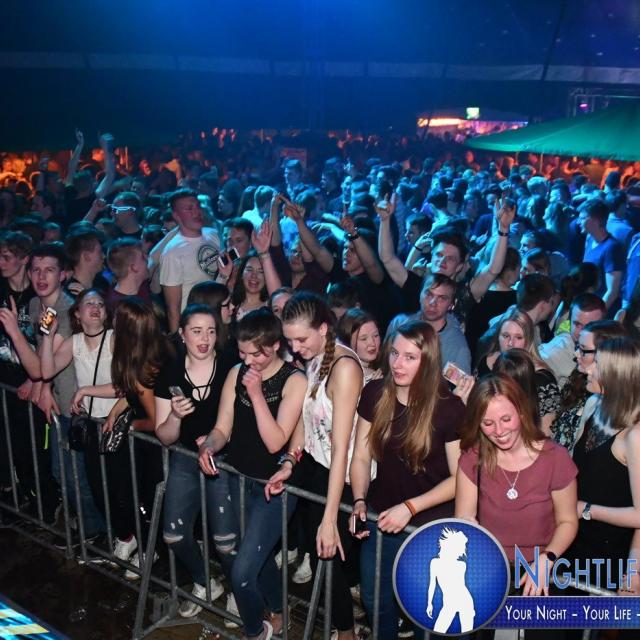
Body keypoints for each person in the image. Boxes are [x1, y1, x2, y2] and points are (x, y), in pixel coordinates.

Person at [349, 321, 464, 639]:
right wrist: (359, 500)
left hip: (430, 527)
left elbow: (460, 480)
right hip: (382, 515)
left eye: (410, 357)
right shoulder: (375, 393)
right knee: (374, 600)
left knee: (425, 612)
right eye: (394, 353)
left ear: (428, 361)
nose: (398, 364)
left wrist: (410, 507)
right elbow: (361, 457)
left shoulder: (449, 408)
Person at [198, 309, 306, 640]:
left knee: (242, 573)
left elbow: (276, 441)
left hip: (276, 489)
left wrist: (257, 394)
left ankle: (255, 632)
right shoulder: (236, 372)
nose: (248, 361)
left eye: (255, 354)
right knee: (259, 559)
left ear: (275, 346)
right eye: (243, 353)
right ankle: (278, 610)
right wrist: (209, 447)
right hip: (239, 481)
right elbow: (222, 428)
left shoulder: (295, 380)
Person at [266, 292, 363, 640]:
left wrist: (329, 517)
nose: (294, 347)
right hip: (317, 468)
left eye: (301, 339)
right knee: (323, 555)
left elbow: (341, 449)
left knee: (328, 555)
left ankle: (347, 632)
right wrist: (290, 461)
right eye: (289, 340)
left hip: (344, 477)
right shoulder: (315, 357)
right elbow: (306, 421)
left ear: (323, 328)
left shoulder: (344, 368)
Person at [455, 374, 578, 595]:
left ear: (521, 411)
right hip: (489, 568)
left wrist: (547, 558)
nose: (499, 431)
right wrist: (466, 526)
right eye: (488, 423)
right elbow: (464, 516)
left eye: (506, 419)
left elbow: (568, 521)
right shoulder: (473, 457)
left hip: (541, 569)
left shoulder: (555, 458)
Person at [155, 304, 234, 616]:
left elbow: (241, 419)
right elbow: (164, 436)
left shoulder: (230, 365)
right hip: (185, 457)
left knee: (226, 542)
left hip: (224, 460)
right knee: (173, 535)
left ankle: (238, 591)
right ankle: (205, 581)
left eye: (211, 331)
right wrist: (175, 417)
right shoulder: (171, 373)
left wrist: (213, 439)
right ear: (182, 334)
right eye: (197, 331)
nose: (205, 338)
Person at [566, 336, 640, 595]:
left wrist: (587, 509)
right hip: (574, 540)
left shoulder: (634, 436)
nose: (588, 369)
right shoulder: (594, 405)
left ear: (616, 375)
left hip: (607, 555)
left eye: (597, 364)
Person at [477, 308, 560, 435]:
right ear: (498, 336)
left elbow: (546, 432)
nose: (511, 343)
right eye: (506, 336)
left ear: (529, 340)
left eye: (518, 337)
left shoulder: (541, 378)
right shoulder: (487, 361)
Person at [158, 189, 221, 332]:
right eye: (189, 208)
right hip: (194, 327)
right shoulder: (172, 253)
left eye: (198, 206)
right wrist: (177, 339)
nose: (196, 212)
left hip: (219, 318)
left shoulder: (213, 235)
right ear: (176, 216)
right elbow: (173, 308)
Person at [336, 308, 382, 383]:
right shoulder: (345, 374)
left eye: (376, 335)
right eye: (364, 339)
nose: (372, 343)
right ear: (347, 342)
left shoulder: (380, 371)